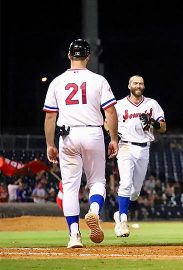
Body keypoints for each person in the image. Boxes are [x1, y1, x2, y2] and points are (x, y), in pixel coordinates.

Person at [43, 38, 119, 248]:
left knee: (69, 188)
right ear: (88, 56)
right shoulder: (98, 80)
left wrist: (50, 144)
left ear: (69, 56)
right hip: (93, 133)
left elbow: (50, 117)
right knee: (97, 182)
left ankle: (74, 236)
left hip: (67, 136)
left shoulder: (57, 82)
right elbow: (110, 111)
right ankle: (94, 211)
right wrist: (113, 138)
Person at [110, 75, 166, 238]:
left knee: (135, 193)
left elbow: (163, 128)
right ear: (129, 86)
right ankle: (122, 221)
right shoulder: (119, 105)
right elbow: (107, 121)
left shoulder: (151, 104)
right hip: (125, 145)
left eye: (141, 83)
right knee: (125, 183)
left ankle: (119, 213)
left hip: (144, 148)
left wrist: (153, 122)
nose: (138, 85)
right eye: (135, 83)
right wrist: (112, 135)